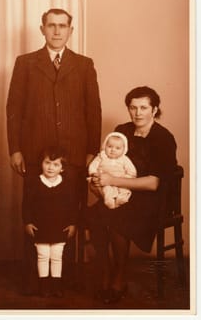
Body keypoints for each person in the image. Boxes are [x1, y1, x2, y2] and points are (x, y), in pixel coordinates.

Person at [6, 8, 102, 293]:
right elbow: (14, 109)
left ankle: (69, 280)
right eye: (51, 26)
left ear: (71, 31)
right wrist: (15, 150)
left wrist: (91, 151)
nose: (57, 31)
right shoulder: (25, 63)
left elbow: (93, 111)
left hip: (74, 155)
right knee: (35, 217)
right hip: (37, 155)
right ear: (42, 29)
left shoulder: (84, 65)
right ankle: (33, 282)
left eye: (63, 26)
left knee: (70, 217)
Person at [87, 86, 177, 304]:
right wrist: (99, 182)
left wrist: (112, 181)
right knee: (94, 216)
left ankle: (119, 278)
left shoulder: (163, 138)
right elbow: (107, 161)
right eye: (133, 107)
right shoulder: (122, 131)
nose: (137, 113)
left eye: (143, 107)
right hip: (120, 192)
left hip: (153, 198)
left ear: (154, 110)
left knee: (118, 217)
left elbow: (154, 183)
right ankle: (106, 272)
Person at [22, 147, 76, 298]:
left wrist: (72, 223)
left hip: (60, 227)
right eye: (47, 163)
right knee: (43, 255)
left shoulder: (66, 185)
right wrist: (27, 222)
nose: (51, 167)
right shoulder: (34, 183)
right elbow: (26, 204)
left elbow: (72, 206)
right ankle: (44, 286)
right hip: (41, 227)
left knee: (57, 256)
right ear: (41, 164)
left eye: (56, 164)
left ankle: (56, 286)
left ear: (62, 168)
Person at [88, 132, 137, 209]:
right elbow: (93, 165)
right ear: (105, 146)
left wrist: (127, 176)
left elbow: (131, 170)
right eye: (110, 146)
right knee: (107, 190)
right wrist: (93, 173)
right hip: (105, 180)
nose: (113, 150)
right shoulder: (102, 156)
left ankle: (121, 199)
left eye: (117, 148)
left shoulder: (124, 159)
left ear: (124, 149)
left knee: (125, 190)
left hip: (121, 180)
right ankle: (108, 201)